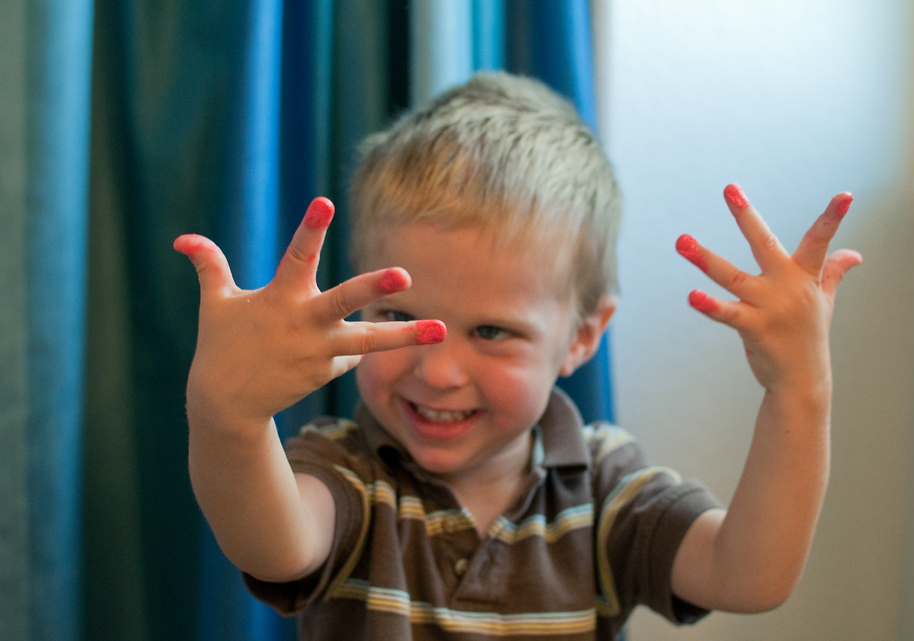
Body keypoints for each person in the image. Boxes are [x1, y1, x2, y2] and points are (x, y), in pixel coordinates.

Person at [174, 72, 862, 640]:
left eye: (493, 333)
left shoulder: (604, 486)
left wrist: (799, 392)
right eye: (400, 318)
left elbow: (750, 576)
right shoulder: (346, 470)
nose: (438, 371)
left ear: (583, 336)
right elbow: (269, 542)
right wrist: (227, 414)